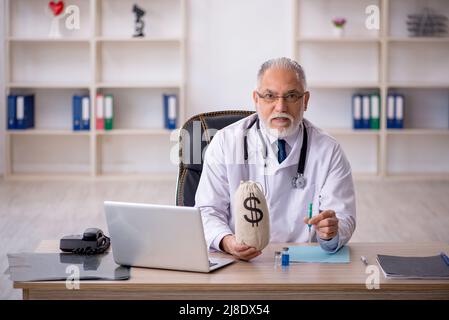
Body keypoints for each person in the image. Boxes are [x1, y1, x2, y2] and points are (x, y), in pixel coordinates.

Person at [195, 57, 356, 261]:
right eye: (270, 96)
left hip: (303, 266)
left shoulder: (329, 150)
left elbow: (343, 217)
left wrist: (332, 232)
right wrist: (227, 241)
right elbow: (207, 210)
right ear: (256, 99)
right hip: (239, 263)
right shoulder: (225, 142)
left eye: (291, 96)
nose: (280, 107)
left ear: (305, 101)